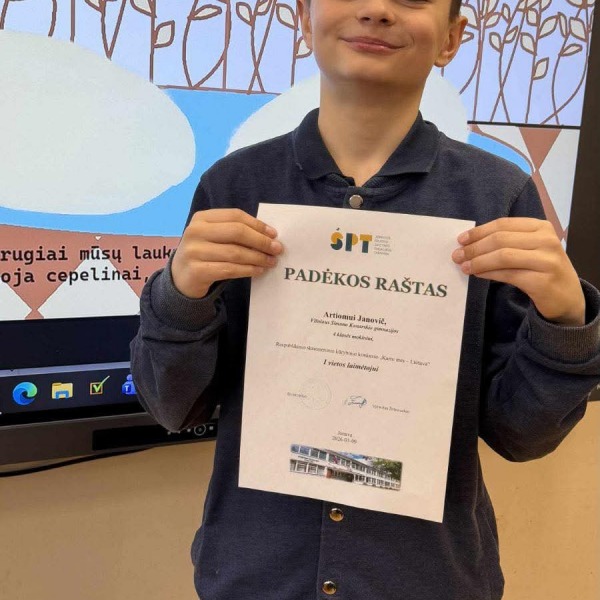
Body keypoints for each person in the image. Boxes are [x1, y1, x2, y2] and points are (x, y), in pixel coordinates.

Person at [129, 0, 600, 596]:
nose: (376, 10)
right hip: (258, 577)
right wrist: (180, 294)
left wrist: (565, 320)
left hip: (425, 579)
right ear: (305, 18)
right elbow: (174, 405)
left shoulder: (498, 196)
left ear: (452, 38)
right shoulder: (234, 185)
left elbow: (520, 435)